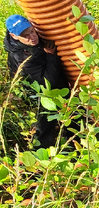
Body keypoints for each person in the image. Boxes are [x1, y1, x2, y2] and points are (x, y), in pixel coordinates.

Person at [4, 14, 70, 149]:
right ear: (14, 36)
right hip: (39, 93)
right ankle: (39, 162)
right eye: (26, 36)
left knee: (73, 117)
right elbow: (47, 82)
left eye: (32, 31)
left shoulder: (32, 41)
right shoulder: (23, 57)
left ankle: (74, 147)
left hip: (55, 86)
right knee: (45, 128)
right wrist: (51, 55)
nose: (32, 37)